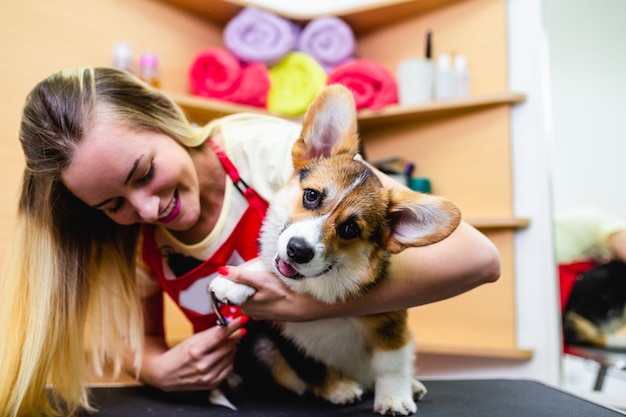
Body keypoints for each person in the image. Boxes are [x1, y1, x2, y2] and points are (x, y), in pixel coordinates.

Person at [0, 67, 500, 417]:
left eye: (145, 171)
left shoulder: (272, 153)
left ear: (161, 112)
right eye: (114, 204)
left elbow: (478, 258)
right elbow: (145, 341)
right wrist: (156, 368)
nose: (147, 211)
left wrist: (304, 308)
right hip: (251, 395)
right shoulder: (125, 232)